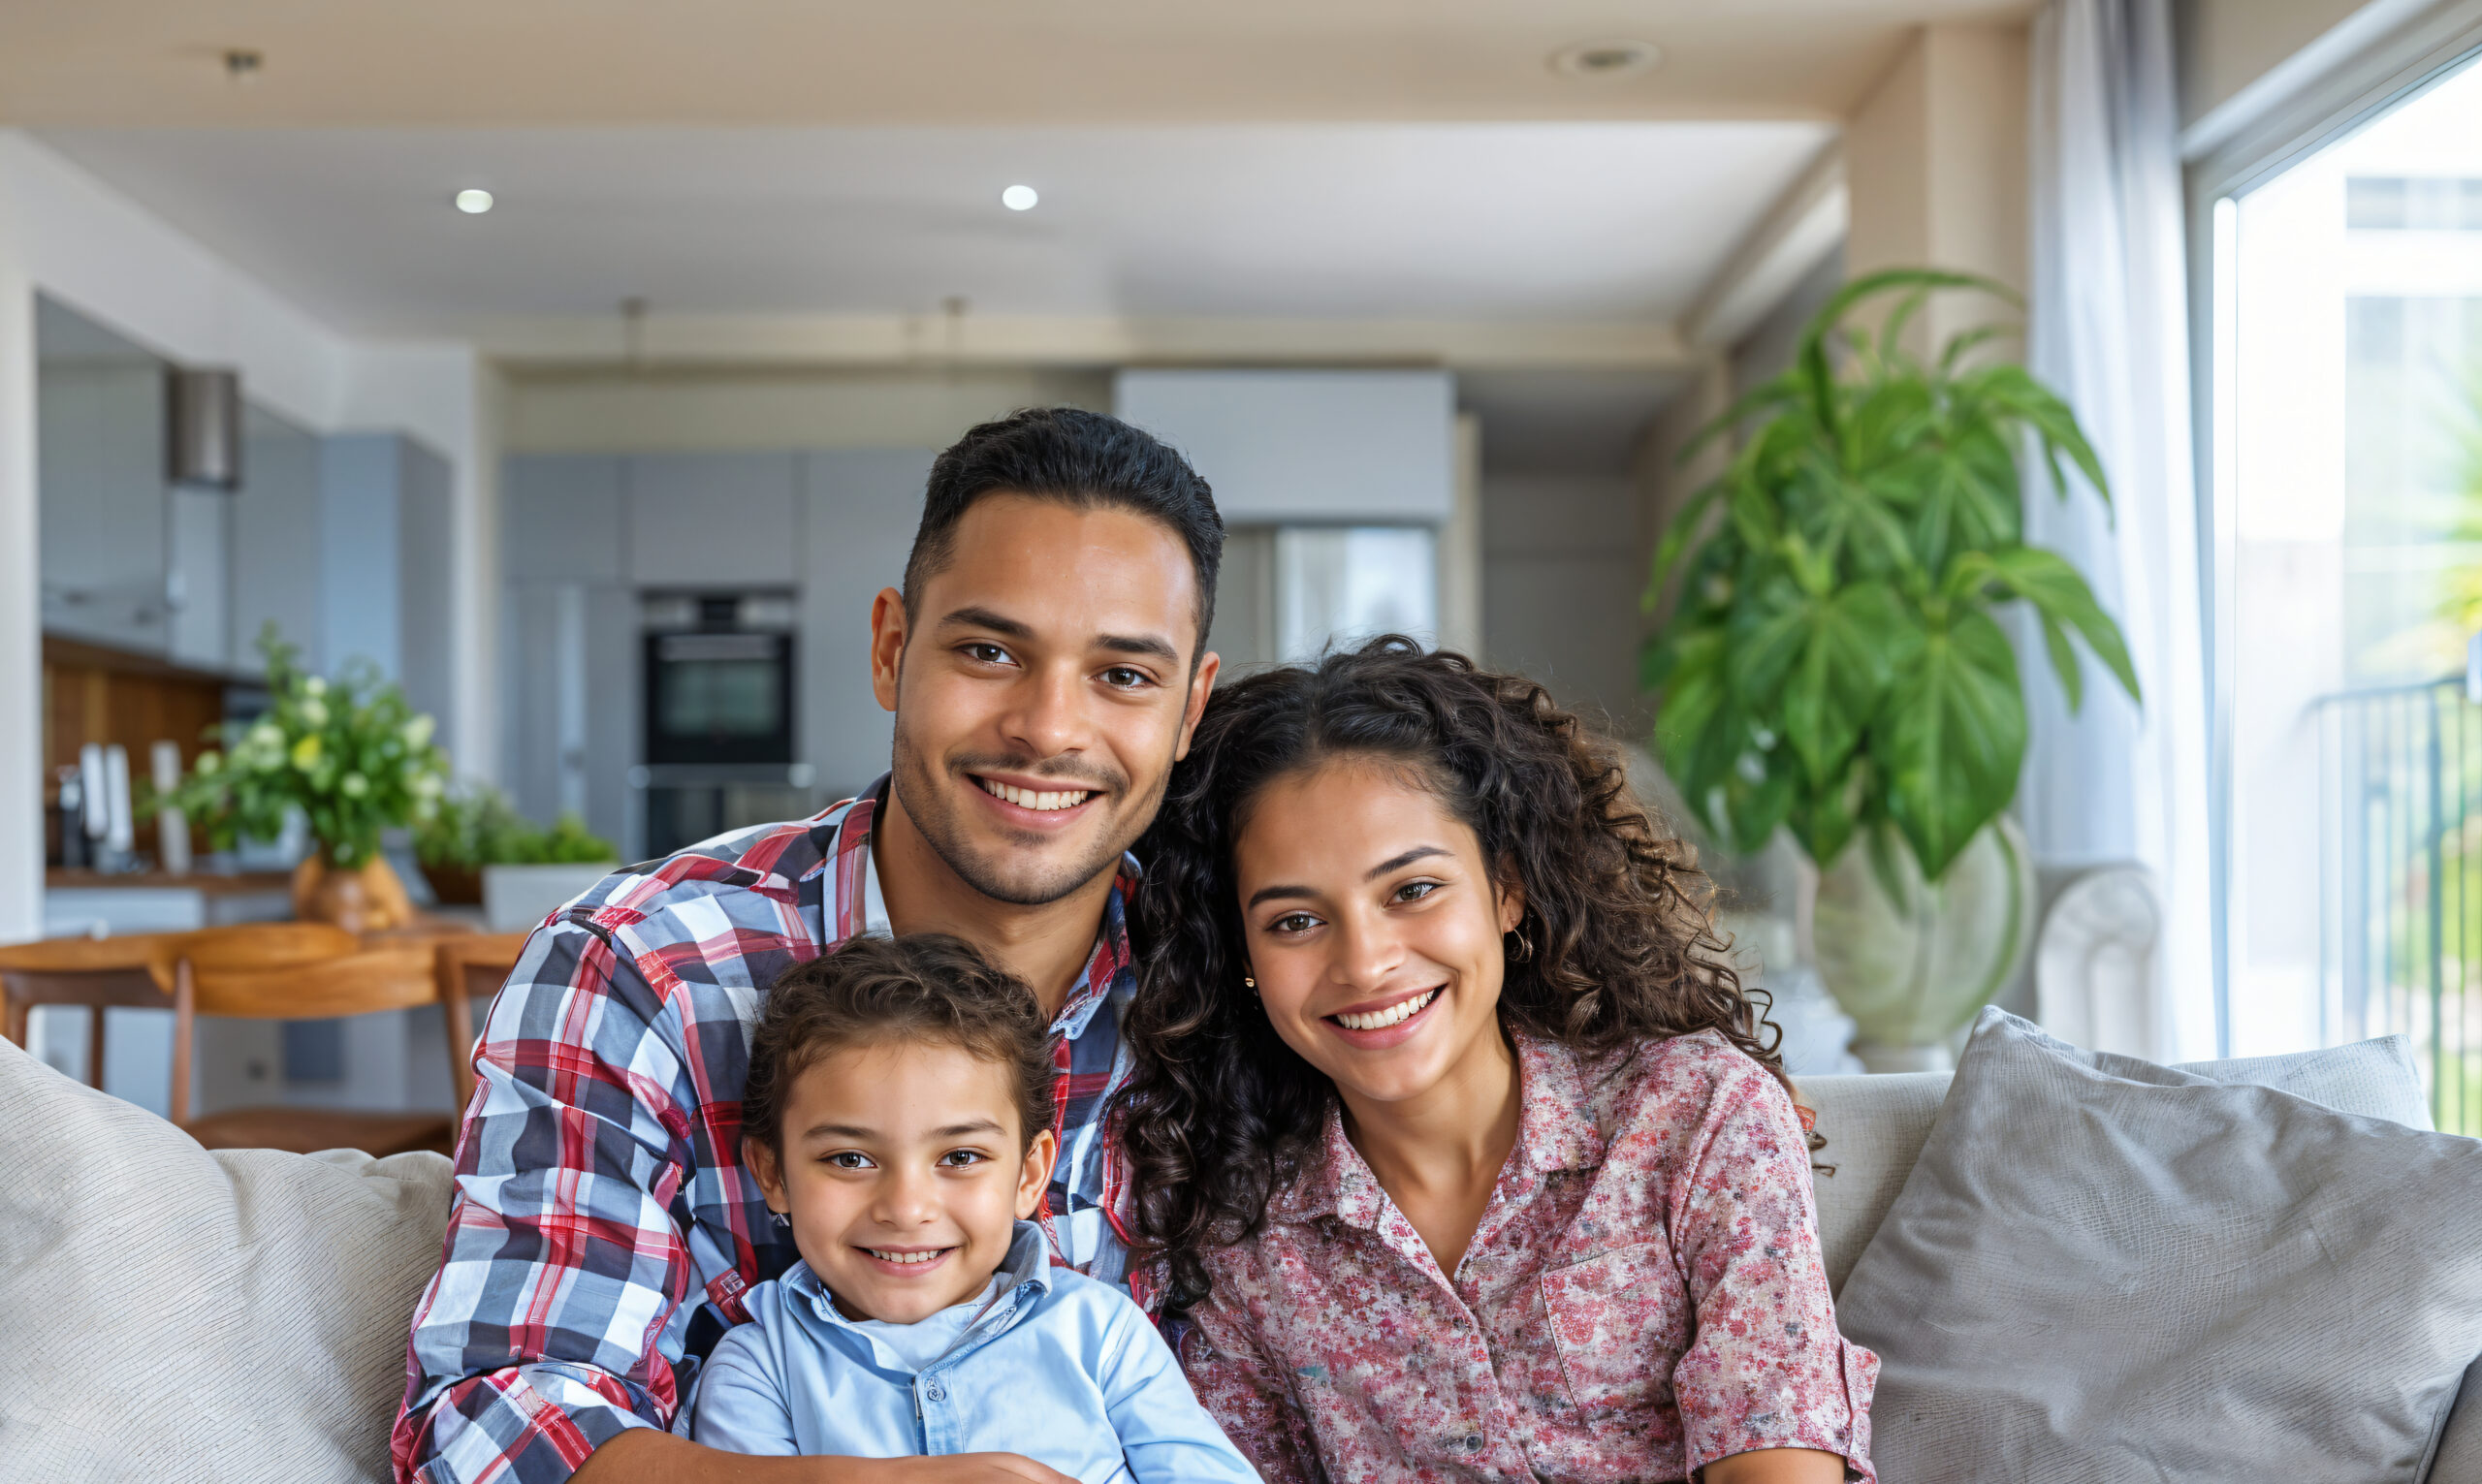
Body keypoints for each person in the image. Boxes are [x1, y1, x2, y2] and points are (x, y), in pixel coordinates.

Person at [394, 407, 1225, 1484]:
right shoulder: (638, 965)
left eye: (1122, 675)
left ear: (1190, 708)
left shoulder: (1228, 984)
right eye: (987, 650)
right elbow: (494, 1424)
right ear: (891, 649)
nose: (1049, 727)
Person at [1116, 637, 1878, 1484]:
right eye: (1296, 919)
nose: (1365, 963)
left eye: (1412, 890)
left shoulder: (1696, 1115)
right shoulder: (1241, 1235)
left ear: (1505, 889)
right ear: (1245, 956)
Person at [693, 932, 1257, 1484]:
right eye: (849, 1159)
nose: (907, 1209)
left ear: (1029, 1173)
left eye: (960, 1155)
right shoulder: (758, 1371)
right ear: (773, 1173)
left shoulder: (1101, 1334)